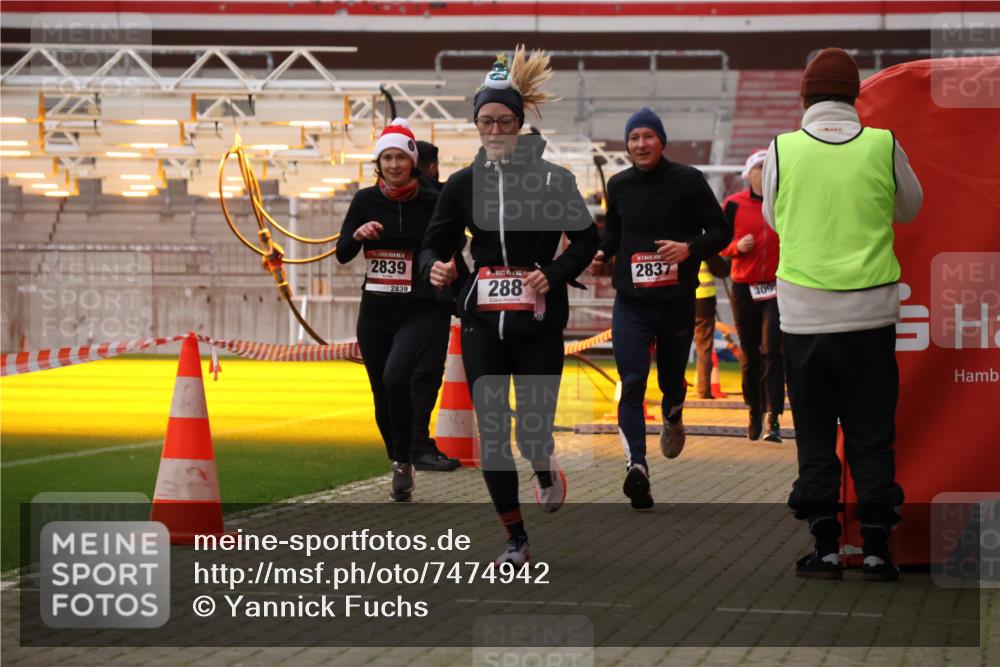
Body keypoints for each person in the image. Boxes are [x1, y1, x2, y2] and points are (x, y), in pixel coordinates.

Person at [419, 47, 600, 566]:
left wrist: (555, 272)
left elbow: (589, 241)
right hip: (481, 322)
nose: (494, 130)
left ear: (520, 123)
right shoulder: (461, 184)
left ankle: (543, 465)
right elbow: (435, 243)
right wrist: (437, 267)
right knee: (493, 431)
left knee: (531, 432)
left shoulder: (554, 180)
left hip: (539, 321)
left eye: (504, 120)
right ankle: (515, 539)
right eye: (485, 121)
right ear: (475, 125)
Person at [762, 48, 922, 581]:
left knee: (813, 432)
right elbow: (911, 207)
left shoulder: (782, 148)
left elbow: (775, 217)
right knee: (871, 432)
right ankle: (876, 549)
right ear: (856, 94)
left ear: (804, 96)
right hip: (871, 316)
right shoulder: (883, 143)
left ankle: (826, 548)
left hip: (805, 319)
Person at [589, 107, 731, 510]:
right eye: (633, 138)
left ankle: (673, 414)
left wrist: (690, 249)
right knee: (631, 380)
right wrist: (603, 251)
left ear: (661, 141)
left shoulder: (688, 181)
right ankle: (637, 466)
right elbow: (615, 228)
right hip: (631, 302)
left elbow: (721, 230)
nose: (640, 144)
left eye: (647, 136)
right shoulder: (618, 185)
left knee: (671, 382)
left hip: (675, 302)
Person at [335, 118, 440, 501]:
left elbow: (448, 247)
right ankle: (400, 462)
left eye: (401, 157)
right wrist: (357, 235)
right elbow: (343, 253)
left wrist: (443, 269)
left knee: (398, 377)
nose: (394, 165)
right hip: (375, 309)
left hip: (418, 308)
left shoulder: (433, 200)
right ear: (379, 164)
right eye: (387, 158)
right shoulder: (365, 200)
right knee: (381, 390)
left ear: (413, 161)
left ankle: (407, 450)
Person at [721, 149, 785, 443]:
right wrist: (736, 248)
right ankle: (754, 410)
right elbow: (718, 242)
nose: (764, 171)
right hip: (744, 286)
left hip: (776, 286)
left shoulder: (784, 201)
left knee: (772, 349)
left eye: (768, 166)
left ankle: (774, 417)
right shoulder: (733, 205)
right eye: (759, 167)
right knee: (750, 353)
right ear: (750, 174)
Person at [408, 139, 463, 472]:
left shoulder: (379, 198)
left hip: (392, 299)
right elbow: (453, 240)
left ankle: (409, 445)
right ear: (430, 166)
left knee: (406, 374)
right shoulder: (440, 198)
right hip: (432, 297)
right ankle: (416, 444)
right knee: (426, 373)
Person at [693, 258, 727, 400]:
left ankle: (675, 388)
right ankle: (703, 389)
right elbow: (723, 270)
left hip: (683, 302)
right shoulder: (705, 248)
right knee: (705, 348)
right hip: (703, 304)